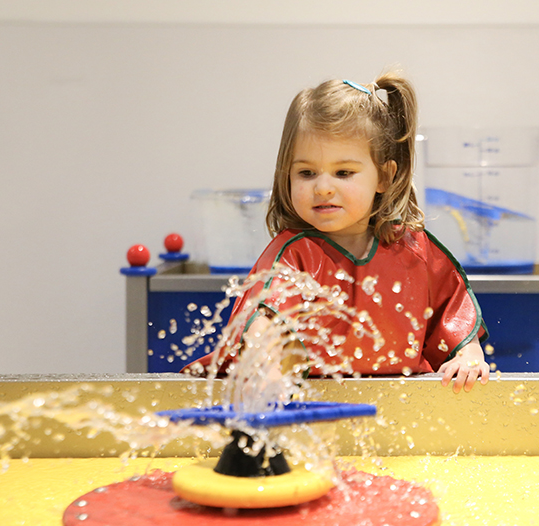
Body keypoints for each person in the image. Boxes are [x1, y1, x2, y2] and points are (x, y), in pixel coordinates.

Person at [193, 71, 489, 394]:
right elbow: (263, 319)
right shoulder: (295, 255)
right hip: (310, 409)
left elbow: (453, 311)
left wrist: (469, 354)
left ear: (384, 178)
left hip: (406, 409)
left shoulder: (414, 250)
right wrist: (266, 365)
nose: (322, 187)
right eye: (306, 172)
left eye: (343, 172)